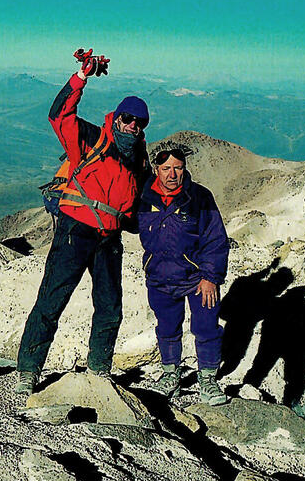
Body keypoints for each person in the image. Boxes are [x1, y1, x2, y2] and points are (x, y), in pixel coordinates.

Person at [15, 50, 151, 394]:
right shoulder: (92, 138)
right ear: (117, 118)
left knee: (110, 307)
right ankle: (28, 371)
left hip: (109, 239)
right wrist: (80, 77)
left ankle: (99, 370)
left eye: (139, 122)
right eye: (128, 119)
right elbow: (59, 116)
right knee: (52, 300)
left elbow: (137, 209)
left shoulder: (139, 162)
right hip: (76, 230)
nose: (132, 126)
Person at [137, 148, 230, 405]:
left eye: (178, 168)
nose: (172, 174)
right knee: (167, 328)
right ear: (156, 169)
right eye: (166, 168)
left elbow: (216, 239)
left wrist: (210, 276)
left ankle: (208, 379)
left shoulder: (199, 197)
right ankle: (170, 376)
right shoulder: (144, 197)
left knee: (206, 327)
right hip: (159, 276)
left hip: (196, 278)